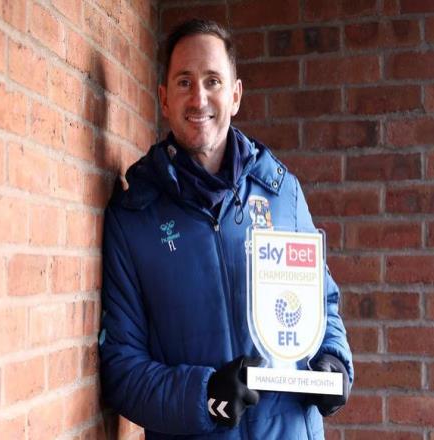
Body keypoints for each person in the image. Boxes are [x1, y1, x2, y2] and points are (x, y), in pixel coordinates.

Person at [99, 19, 353, 440]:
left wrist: (335, 361)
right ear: (164, 99)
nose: (199, 97)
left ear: (235, 95)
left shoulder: (283, 194)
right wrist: (203, 397)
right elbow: (121, 369)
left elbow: (322, 304)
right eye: (184, 82)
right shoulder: (134, 219)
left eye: (212, 81)